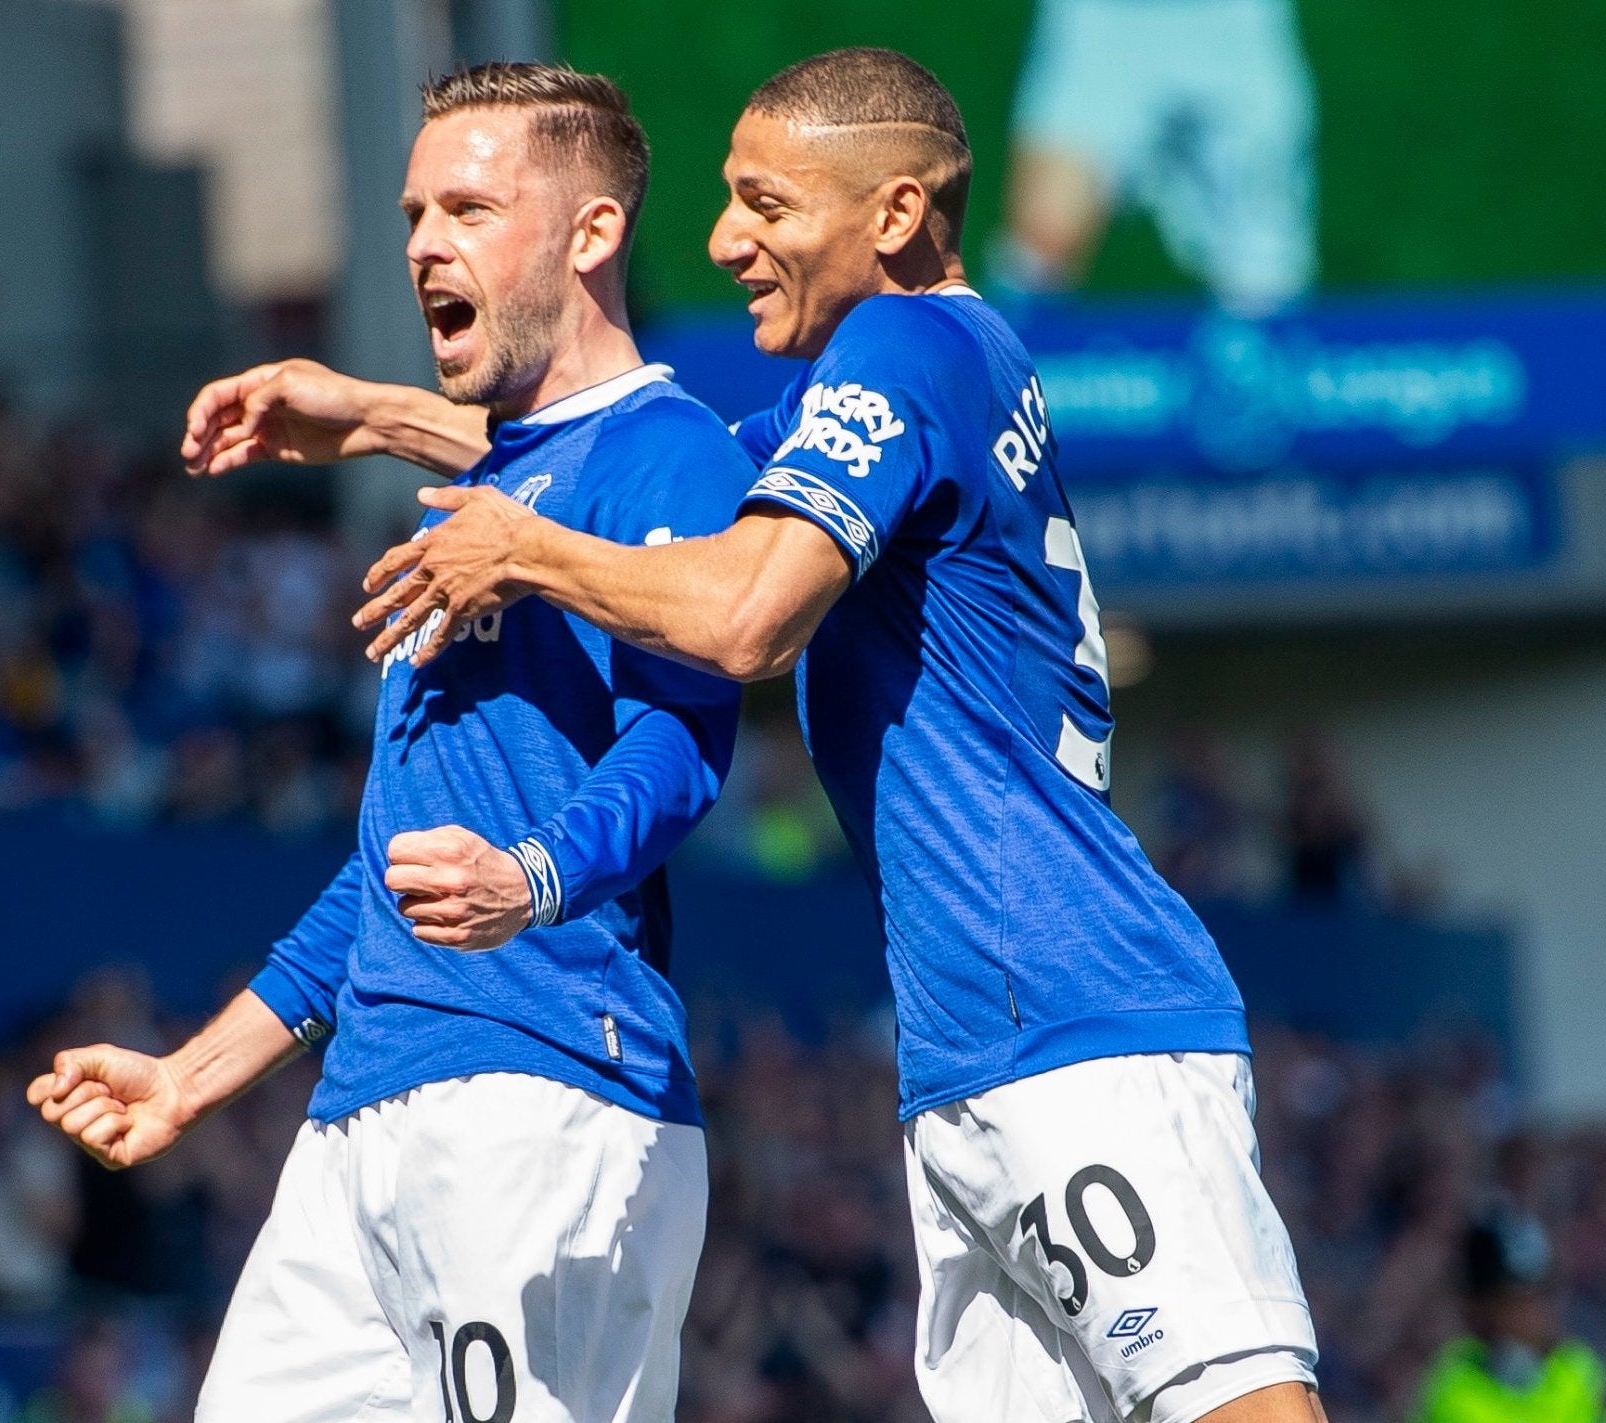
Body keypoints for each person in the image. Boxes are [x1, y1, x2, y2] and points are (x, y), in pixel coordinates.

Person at [187, 45, 1327, 1423]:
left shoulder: (905, 348)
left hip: (1075, 1008)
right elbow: (646, 457)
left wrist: (527, 551)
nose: (726, 239)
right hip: (986, 1039)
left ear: (894, 216)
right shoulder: (920, 375)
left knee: (1236, 1404)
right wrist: (381, 417)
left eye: (766, 205)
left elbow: (742, 617)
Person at [37, 63, 758, 1423]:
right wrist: (189, 1077)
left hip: (545, 1086)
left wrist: (529, 878)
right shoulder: (469, 504)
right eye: (417, 208)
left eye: (472, 207)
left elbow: (681, 749)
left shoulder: (670, 452)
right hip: (362, 1109)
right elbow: (391, 864)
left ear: (590, 234)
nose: (427, 239)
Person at [988, 0, 1317, 317]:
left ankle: (1253, 367)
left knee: (1262, 274)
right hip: (1105, 23)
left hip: (1231, 22)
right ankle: (997, 369)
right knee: (1041, 242)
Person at [1410, 1208, 1605, 1423]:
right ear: (1478, 1307)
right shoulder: (1454, 1384)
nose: (1534, 1313)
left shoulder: (1578, 1371)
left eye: (1541, 1293)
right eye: (1513, 1302)